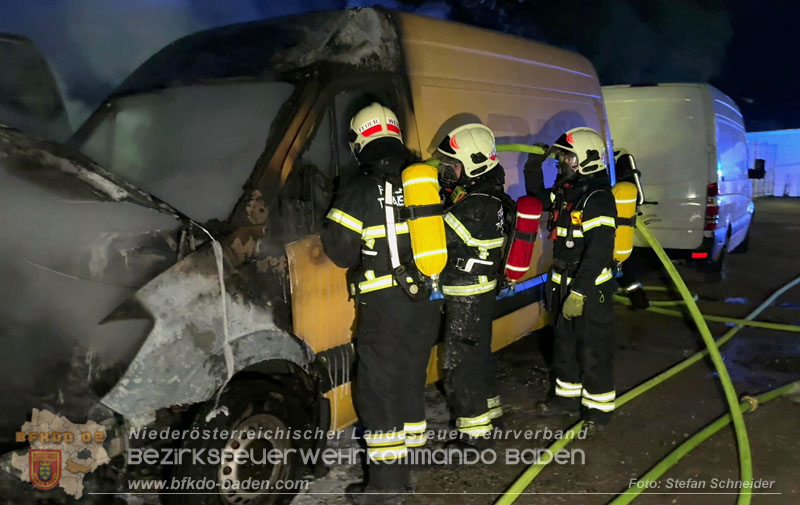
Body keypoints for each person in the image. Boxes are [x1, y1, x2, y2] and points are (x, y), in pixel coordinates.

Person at [321, 102, 442, 504]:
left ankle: (386, 488)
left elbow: (340, 250)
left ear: (360, 140)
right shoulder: (420, 178)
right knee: (409, 380)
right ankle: (410, 463)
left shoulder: (358, 186)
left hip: (385, 303)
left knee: (377, 391)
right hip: (425, 300)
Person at [523, 127, 618, 434]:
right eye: (563, 156)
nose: (562, 161)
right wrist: (532, 166)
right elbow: (540, 198)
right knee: (563, 344)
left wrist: (579, 291)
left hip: (590, 288)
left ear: (586, 160)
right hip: (562, 281)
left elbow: (599, 251)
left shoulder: (598, 199)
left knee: (592, 349)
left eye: (568, 156)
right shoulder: (567, 191)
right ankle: (566, 401)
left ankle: (598, 410)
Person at [433, 123, 513, 446]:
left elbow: (440, 235)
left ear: (474, 165)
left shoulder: (475, 205)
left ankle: (475, 436)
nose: (447, 171)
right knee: (479, 356)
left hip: (466, 293)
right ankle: (490, 413)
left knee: (459, 364)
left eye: (453, 165)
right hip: (482, 291)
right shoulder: (493, 197)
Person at [613, 148, 649, 310]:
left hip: (613, 228)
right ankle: (639, 299)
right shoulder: (621, 171)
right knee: (624, 266)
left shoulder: (610, 172)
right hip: (624, 228)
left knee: (616, 266)